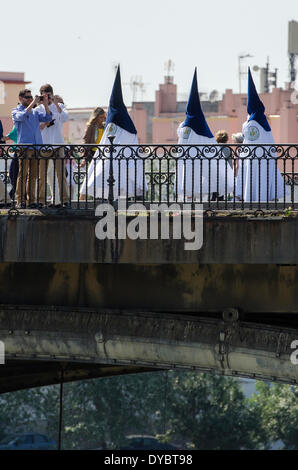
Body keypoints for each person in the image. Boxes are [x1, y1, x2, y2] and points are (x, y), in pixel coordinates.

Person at [81, 66, 146, 201]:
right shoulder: (125, 123)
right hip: (111, 157)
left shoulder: (114, 122)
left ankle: (90, 199)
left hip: (111, 157)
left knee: (101, 176)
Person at [175, 69, 234, 202]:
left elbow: (179, 132)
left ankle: (189, 196)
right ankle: (215, 195)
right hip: (202, 161)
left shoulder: (183, 127)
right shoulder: (202, 127)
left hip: (188, 160)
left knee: (190, 179)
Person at [235, 69, 286, 202]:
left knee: (252, 181)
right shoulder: (264, 122)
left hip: (251, 159)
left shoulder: (248, 123)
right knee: (265, 180)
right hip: (265, 159)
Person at [12, 89, 52, 208]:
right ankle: (20, 201)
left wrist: (45, 103)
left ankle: (31, 201)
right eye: (27, 97)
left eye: (31, 97)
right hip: (24, 147)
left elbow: (48, 118)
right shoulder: (15, 111)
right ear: (20, 98)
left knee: (33, 176)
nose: (30, 99)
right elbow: (23, 116)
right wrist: (33, 101)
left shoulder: (35, 112)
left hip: (36, 146)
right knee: (22, 174)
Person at [37, 84, 69, 207]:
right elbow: (37, 128)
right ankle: (41, 200)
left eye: (49, 94)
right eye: (45, 94)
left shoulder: (59, 106)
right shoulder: (38, 109)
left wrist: (55, 104)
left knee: (61, 175)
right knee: (42, 176)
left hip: (57, 144)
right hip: (44, 145)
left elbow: (65, 118)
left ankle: (64, 200)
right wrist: (45, 123)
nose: (47, 96)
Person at [79, 107, 106, 200]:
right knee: (92, 176)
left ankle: (99, 197)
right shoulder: (91, 126)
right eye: (101, 118)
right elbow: (86, 140)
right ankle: (82, 198)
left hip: (102, 154)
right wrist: (84, 158)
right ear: (96, 117)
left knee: (101, 177)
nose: (102, 120)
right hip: (93, 153)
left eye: (104, 118)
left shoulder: (105, 127)